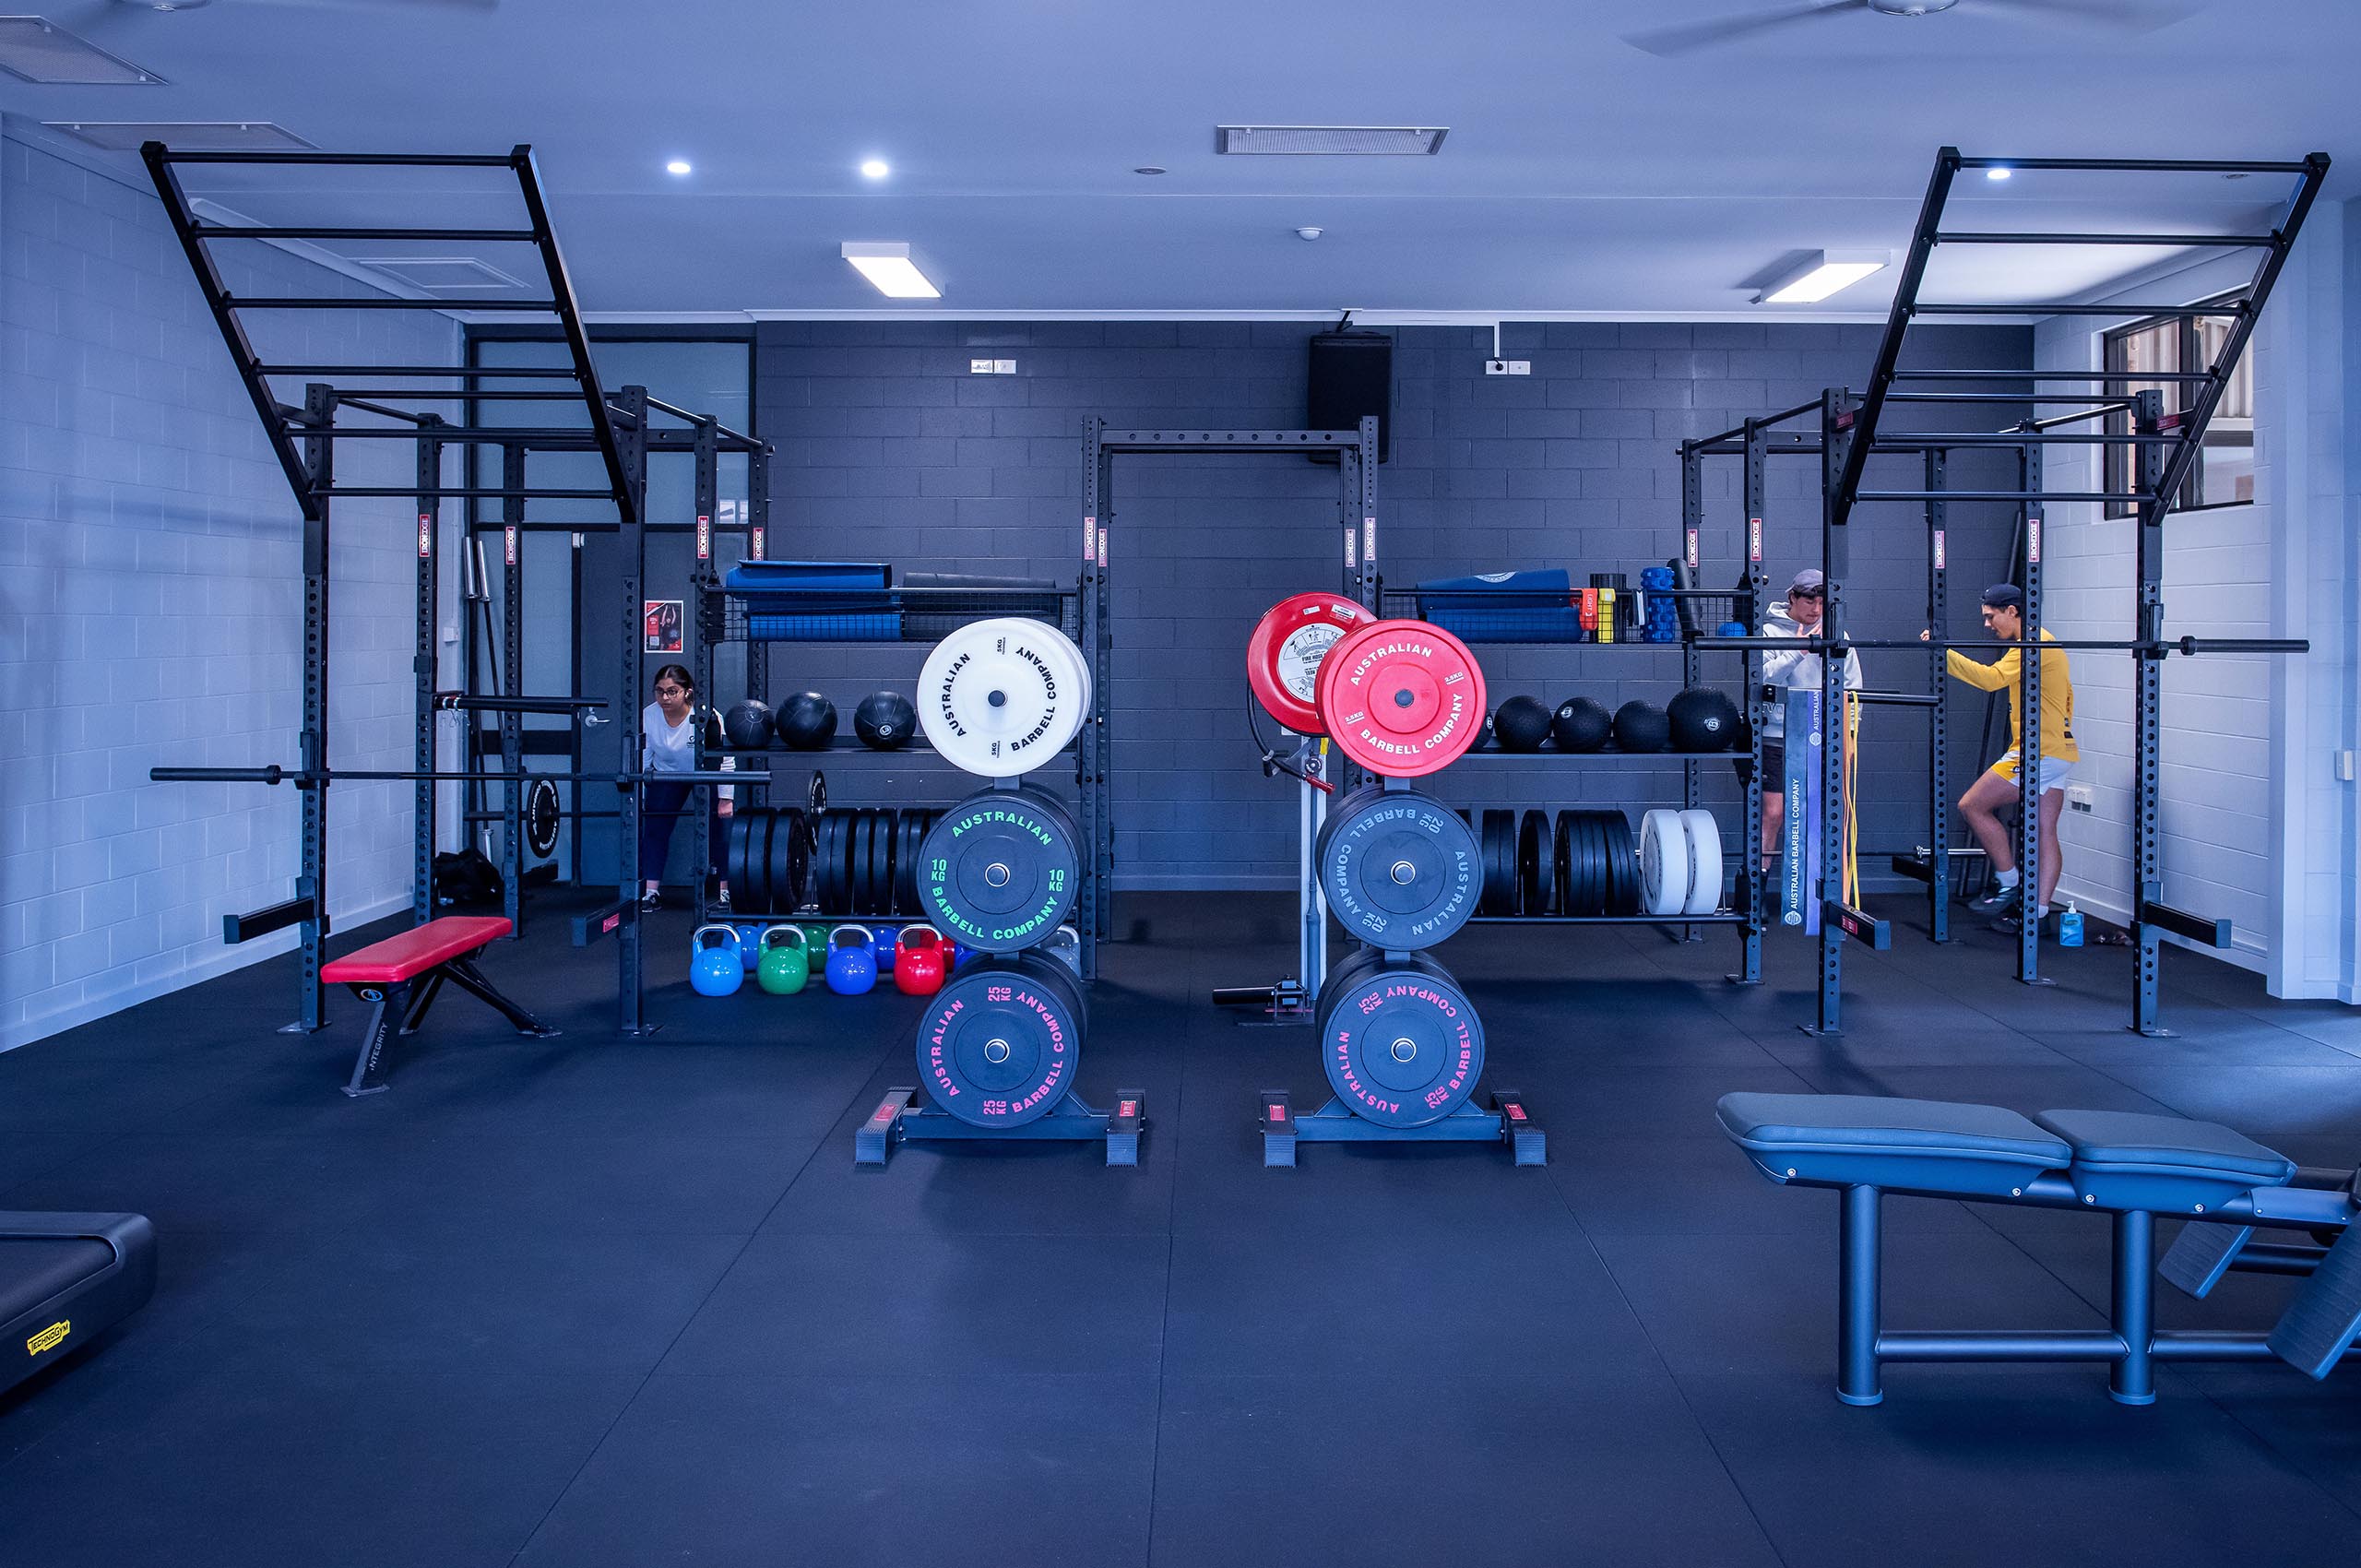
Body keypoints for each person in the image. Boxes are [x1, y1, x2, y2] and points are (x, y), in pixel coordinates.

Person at [1924, 583, 2077, 932]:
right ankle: (2034, 915)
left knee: (1972, 805)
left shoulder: (2032, 643)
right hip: (2058, 750)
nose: (1988, 625)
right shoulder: (2043, 641)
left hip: (2037, 750)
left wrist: (1942, 651)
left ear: (2013, 611)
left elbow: (1991, 680)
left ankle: (2009, 884)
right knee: (2045, 831)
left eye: (1991, 617)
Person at [1750, 569, 1863, 873]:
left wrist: (1847, 737)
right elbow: (1760, 678)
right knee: (1773, 813)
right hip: (1777, 735)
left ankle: (1827, 892)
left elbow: (1852, 690)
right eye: (1810, 601)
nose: (1816, 609)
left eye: (1822, 603)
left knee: (1827, 812)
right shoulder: (1768, 633)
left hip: (1823, 736)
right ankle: (1756, 890)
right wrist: (1800, 650)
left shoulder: (1838, 636)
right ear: (1793, 598)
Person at [640, 663, 733, 910]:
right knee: (654, 828)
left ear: (687, 692)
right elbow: (645, 756)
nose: (665, 698)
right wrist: (639, 792)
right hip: (667, 775)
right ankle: (650, 893)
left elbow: (725, 759)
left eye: (672, 691)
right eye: (660, 691)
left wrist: (726, 799)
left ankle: (725, 892)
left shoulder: (709, 716)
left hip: (704, 774)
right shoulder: (649, 715)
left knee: (720, 828)